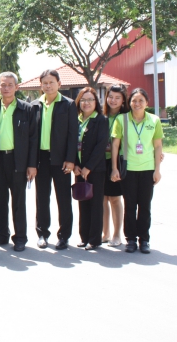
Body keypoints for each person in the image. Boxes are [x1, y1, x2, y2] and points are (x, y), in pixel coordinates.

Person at [0, 72, 37, 252]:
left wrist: (32, 165)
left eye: (9, 85)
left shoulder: (27, 109)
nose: (6, 88)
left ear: (17, 87)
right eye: (3, 85)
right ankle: (1, 234)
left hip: (18, 161)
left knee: (18, 202)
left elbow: (33, 138)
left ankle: (20, 238)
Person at [111, 88, 163, 254]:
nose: (137, 104)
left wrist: (157, 170)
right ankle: (131, 239)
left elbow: (158, 146)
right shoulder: (122, 119)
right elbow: (115, 145)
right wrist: (114, 168)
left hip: (148, 169)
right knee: (130, 205)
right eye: (134, 100)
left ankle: (144, 239)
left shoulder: (154, 120)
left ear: (147, 103)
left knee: (145, 206)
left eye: (141, 100)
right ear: (129, 103)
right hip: (128, 169)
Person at [31, 69, 79, 250]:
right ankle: (42, 234)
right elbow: (31, 136)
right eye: (45, 83)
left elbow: (73, 134)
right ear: (41, 85)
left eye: (51, 82)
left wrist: (70, 159)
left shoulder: (68, 104)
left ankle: (64, 236)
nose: (48, 85)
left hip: (61, 159)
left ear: (59, 84)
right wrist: (31, 162)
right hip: (41, 158)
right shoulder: (35, 105)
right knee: (42, 198)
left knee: (64, 199)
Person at [73, 88, 108, 250]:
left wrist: (89, 167)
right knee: (83, 202)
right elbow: (71, 143)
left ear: (96, 102)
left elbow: (101, 145)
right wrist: (75, 164)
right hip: (79, 169)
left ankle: (94, 239)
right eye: (83, 100)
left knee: (95, 204)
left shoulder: (101, 120)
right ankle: (84, 237)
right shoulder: (76, 119)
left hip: (95, 170)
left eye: (90, 100)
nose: (86, 103)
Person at [102, 84, 129, 247]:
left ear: (123, 100)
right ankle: (105, 233)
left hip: (117, 162)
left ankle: (117, 234)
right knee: (102, 198)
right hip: (100, 161)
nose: (113, 100)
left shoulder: (126, 117)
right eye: (111, 97)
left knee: (114, 198)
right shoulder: (101, 115)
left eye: (118, 98)